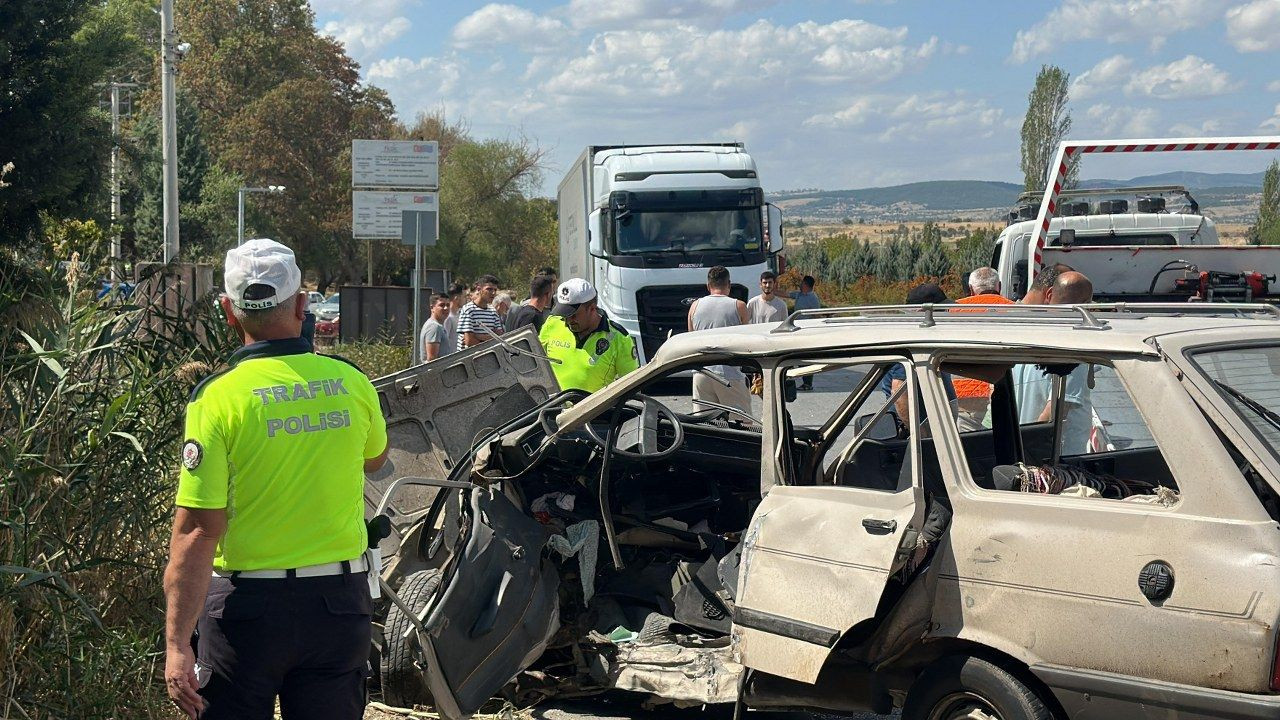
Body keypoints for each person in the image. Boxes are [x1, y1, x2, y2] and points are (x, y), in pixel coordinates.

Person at [164, 238, 388, 720]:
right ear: (303, 305)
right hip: (339, 607)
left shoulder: (216, 400)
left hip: (248, 613)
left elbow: (198, 529)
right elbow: (376, 459)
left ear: (228, 309)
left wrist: (177, 643)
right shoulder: (352, 382)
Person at [1013, 271, 1096, 455]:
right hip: (1056, 459)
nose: (1086, 309)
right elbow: (1056, 412)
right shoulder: (1072, 346)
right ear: (1049, 295)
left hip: (1022, 446)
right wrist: (1028, 451)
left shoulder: (1027, 338)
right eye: (1083, 301)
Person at [539, 278, 639, 392]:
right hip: (553, 407)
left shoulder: (619, 338)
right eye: (564, 315)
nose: (567, 321)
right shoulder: (553, 323)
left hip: (595, 409)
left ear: (592, 308)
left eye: (573, 315)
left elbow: (632, 386)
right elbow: (532, 363)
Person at [688, 266, 753, 414]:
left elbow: (690, 340)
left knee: (705, 425)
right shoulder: (739, 306)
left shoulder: (694, 307)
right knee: (742, 426)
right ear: (729, 284)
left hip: (702, 374)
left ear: (708, 285)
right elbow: (747, 343)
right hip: (730, 375)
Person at [951, 267, 1014, 420]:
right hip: (1007, 393)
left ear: (971, 289)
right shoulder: (1016, 309)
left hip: (965, 399)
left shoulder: (953, 311)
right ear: (998, 286)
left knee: (970, 441)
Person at [456, 275, 504, 351]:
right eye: (489, 289)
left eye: (495, 290)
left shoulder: (493, 311)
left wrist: (478, 336)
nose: (493, 293)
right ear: (479, 289)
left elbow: (500, 337)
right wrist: (490, 338)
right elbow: (469, 342)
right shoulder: (468, 310)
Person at [790, 275, 821, 389]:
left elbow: (816, 315)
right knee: (796, 356)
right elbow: (786, 294)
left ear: (806, 285)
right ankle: (804, 381)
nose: (800, 284)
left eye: (802, 283)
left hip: (806, 332)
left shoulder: (813, 298)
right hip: (796, 329)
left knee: (805, 359)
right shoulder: (799, 294)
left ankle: (808, 383)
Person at [419, 293, 452, 362]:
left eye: (448, 305)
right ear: (432, 308)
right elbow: (432, 359)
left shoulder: (438, 326)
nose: (446, 308)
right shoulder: (434, 327)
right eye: (442, 305)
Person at [442, 281, 467, 356]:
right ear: (456, 298)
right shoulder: (448, 318)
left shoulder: (460, 314)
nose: (465, 299)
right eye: (464, 297)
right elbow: (444, 342)